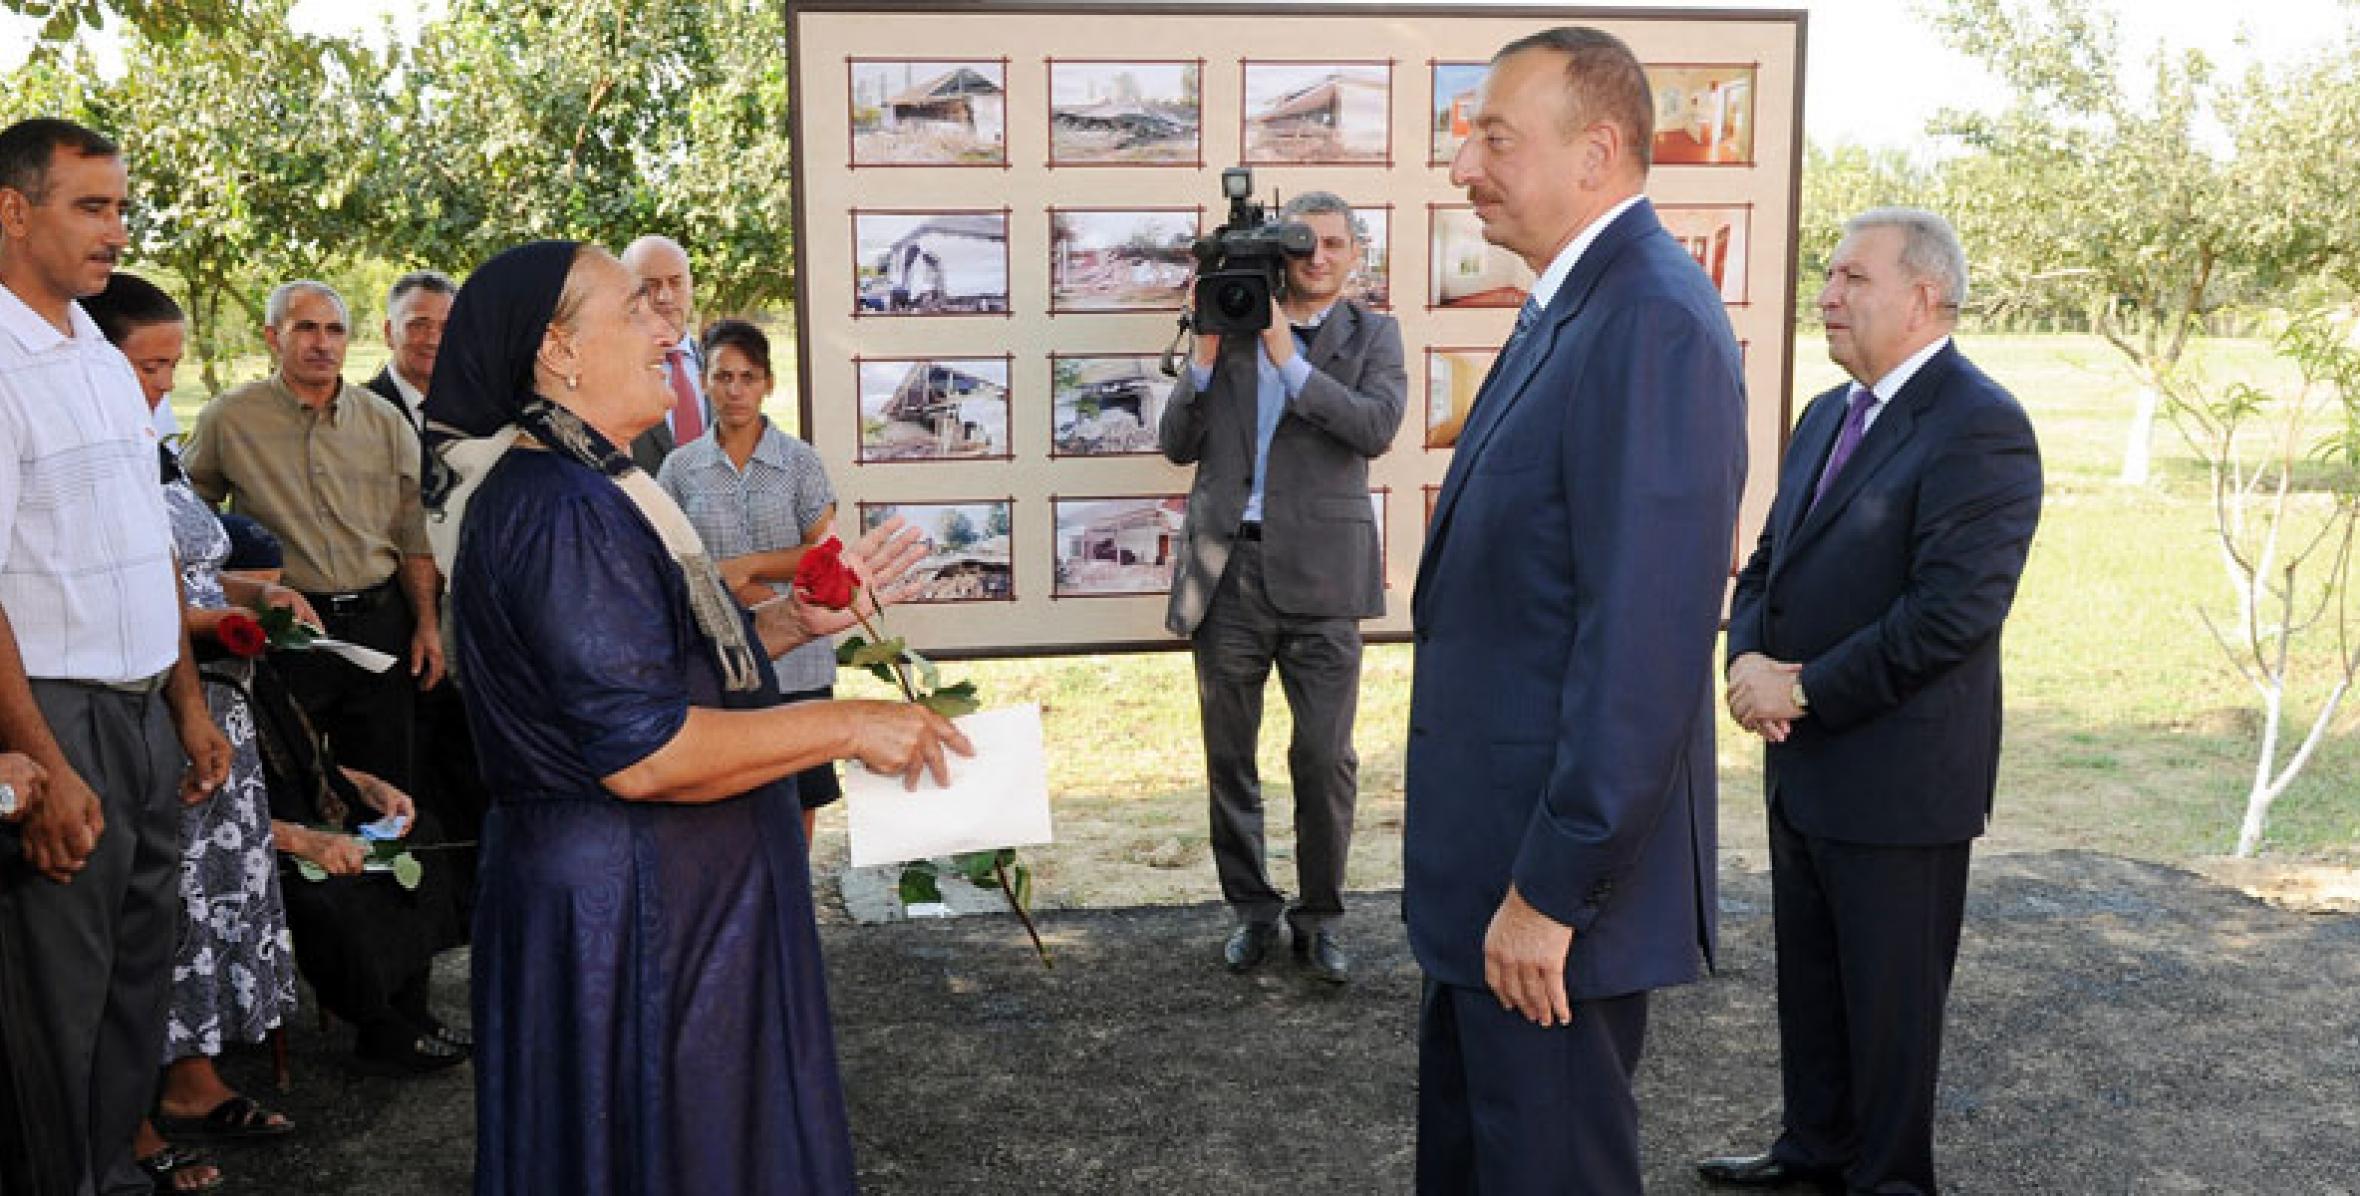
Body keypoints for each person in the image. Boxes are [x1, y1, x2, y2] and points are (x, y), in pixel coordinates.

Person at [426, 240, 969, 1195]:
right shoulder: (562, 507)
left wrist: (796, 618)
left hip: (657, 909)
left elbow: (649, 668)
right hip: (627, 922)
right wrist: (846, 725)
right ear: (557, 350)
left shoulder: (595, 483)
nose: (666, 328)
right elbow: (646, 750)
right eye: (635, 310)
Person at [1403, 29, 1747, 1192]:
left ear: (1596, 151)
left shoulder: (1646, 317)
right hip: (1492, 873)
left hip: (1544, 899)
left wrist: (1550, 891)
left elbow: (1641, 649)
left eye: (1495, 137)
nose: (1465, 168)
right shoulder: (1575, 302)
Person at [1699, 209, 2043, 1196]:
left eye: (1850, 277)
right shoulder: (1822, 414)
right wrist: (1748, 659)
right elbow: (1765, 562)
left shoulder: (1980, 423)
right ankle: (1811, 1152)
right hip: (1802, 759)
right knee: (1810, 985)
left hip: (1899, 776)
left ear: (1921, 296)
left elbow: (1949, 615)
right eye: (1826, 276)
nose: (1826, 294)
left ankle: (1886, 1178)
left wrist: (1797, 686)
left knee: (1889, 1010)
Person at [0, 116, 233, 1196]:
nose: (116, 229)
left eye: (120, 206)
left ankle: (108, 1170)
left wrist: (188, 710)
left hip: (144, 711)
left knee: (137, 981)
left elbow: (147, 550)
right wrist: (37, 762)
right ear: (14, 211)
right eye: (91, 206)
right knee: (61, 996)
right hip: (56, 715)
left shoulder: (97, 349)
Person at [84, 270, 313, 1193]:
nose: (162, 386)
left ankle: (193, 1077)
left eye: (172, 366)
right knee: (152, 914)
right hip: (142, 706)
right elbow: (113, 597)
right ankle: (125, 1115)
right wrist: (212, 624)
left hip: (212, 704)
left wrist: (260, 596)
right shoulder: (85, 446)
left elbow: (192, 566)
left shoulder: (159, 446)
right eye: (149, 366)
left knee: (210, 904)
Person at [1158, 191, 1405, 983]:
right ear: (1279, 252)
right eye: (1304, 245)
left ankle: (1322, 916)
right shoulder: (1225, 328)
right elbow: (1174, 445)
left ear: (1356, 255)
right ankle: (1253, 911)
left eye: (1334, 244)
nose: (1319, 258)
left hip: (1325, 577)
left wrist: (1284, 356)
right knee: (1229, 757)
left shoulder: (1376, 335)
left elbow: (1374, 428)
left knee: (1323, 758)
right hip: (1226, 570)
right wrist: (1202, 357)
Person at [181, 279, 444, 792]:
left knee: (387, 783)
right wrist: (227, 598)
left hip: (378, 625)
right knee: (294, 779)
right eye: (305, 328)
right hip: (288, 630)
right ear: (273, 337)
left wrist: (427, 626)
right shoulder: (230, 419)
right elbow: (187, 520)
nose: (322, 343)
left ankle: (378, 874)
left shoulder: (385, 422)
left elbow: (416, 536)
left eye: (334, 330)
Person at [656, 318, 843, 850]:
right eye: (723, 377)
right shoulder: (680, 468)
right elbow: (669, 558)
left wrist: (751, 567)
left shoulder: (799, 462)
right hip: (718, 655)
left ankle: (791, 910)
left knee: (800, 793)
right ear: (705, 382)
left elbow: (825, 555)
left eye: (749, 377)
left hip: (797, 656)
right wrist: (723, 587)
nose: (735, 391)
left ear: (768, 384)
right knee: (728, 793)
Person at [619, 234, 706, 472]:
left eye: (675, 282)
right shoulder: (612, 375)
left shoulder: (722, 367)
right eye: (650, 286)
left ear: (691, 286)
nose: (665, 296)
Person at [365, 269, 456, 433]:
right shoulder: (357, 413)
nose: (433, 341)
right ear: (389, 332)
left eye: (446, 328)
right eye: (418, 325)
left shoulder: (477, 408)